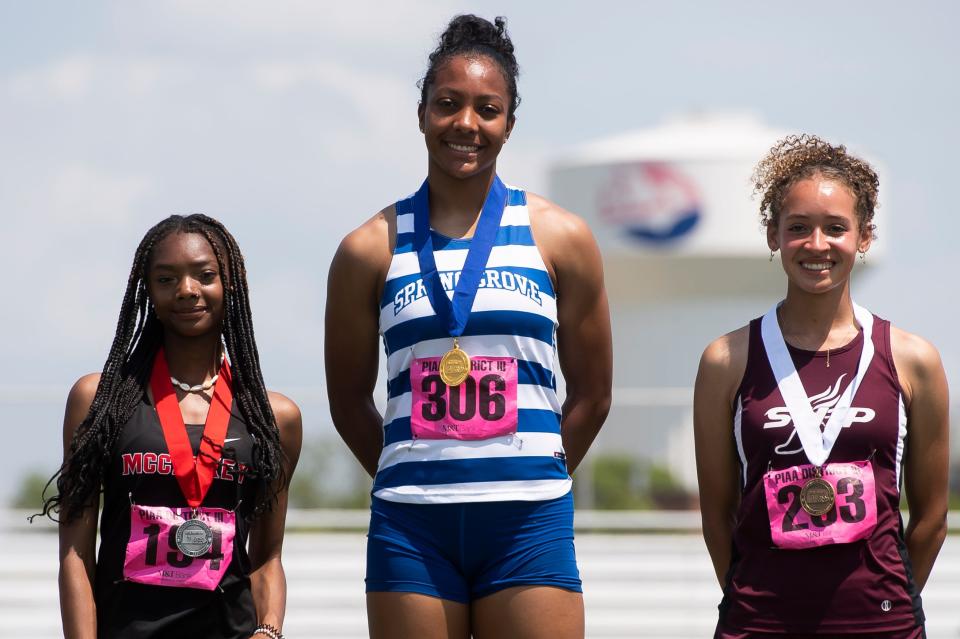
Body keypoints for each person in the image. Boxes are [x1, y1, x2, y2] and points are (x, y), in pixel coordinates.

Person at [325, 14, 612, 639]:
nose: (466, 125)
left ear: (510, 122)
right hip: (412, 526)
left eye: (488, 109)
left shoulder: (561, 237)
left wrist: (541, 473)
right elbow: (348, 400)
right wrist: (413, 469)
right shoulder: (367, 249)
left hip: (527, 522)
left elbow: (594, 393)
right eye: (448, 105)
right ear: (422, 112)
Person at [694, 134, 949, 638]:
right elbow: (716, 513)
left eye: (836, 228)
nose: (817, 245)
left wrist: (885, 600)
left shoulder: (913, 359)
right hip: (759, 622)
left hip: (882, 623)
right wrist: (754, 601)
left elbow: (932, 518)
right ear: (773, 236)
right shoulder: (726, 359)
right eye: (798, 228)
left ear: (865, 236)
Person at [42, 214, 302, 639]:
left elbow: (268, 557)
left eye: (205, 275)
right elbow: (75, 552)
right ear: (147, 291)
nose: (186, 290)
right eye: (166, 279)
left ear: (230, 283)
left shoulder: (274, 417)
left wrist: (269, 630)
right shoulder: (99, 399)